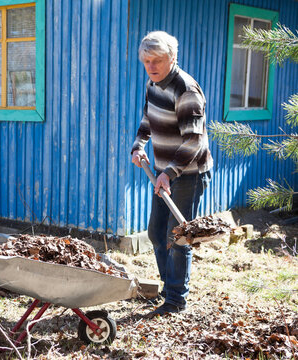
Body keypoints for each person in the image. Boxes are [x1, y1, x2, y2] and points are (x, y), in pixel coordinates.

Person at [131, 31, 213, 316]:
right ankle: (169, 287)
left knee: (178, 236)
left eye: (157, 60)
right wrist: (139, 145)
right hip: (164, 171)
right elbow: (147, 119)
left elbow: (194, 140)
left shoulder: (186, 90)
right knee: (156, 232)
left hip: (188, 173)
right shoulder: (153, 84)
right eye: (146, 61)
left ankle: (176, 300)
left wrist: (169, 172)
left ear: (173, 58)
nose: (151, 66)